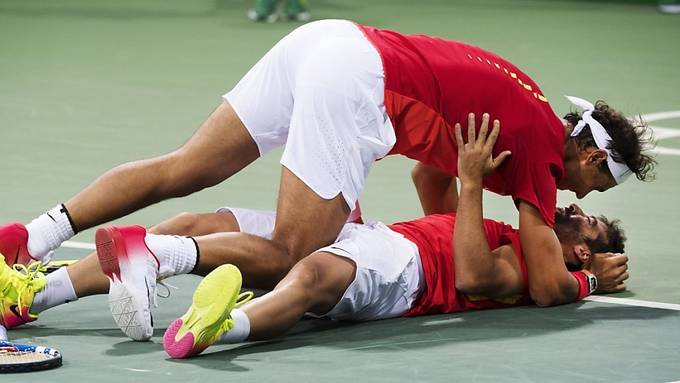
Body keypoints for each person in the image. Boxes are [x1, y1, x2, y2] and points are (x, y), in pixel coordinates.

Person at [0, 20, 648, 337]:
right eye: (594, 189)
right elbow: (545, 281)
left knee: (185, 167)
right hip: (359, 83)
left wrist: (467, 181)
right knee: (293, 250)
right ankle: (149, 253)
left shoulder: (523, 108)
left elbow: (431, 167)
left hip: (327, 42)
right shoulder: (540, 146)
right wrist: (592, 277)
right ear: (591, 159)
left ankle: (31, 249)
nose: (578, 198)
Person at [0, 119, 628, 343]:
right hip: (376, 233)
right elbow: (427, 185)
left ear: (580, 250)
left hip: (402, 270)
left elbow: (470, 272)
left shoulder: (531, 262)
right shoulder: (521, 227)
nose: (573, 208)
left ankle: (216, 324)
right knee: (194, 218)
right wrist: (458, 142)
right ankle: (33, 294)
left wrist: (472, 186)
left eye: (588, 218)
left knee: (308, 272)